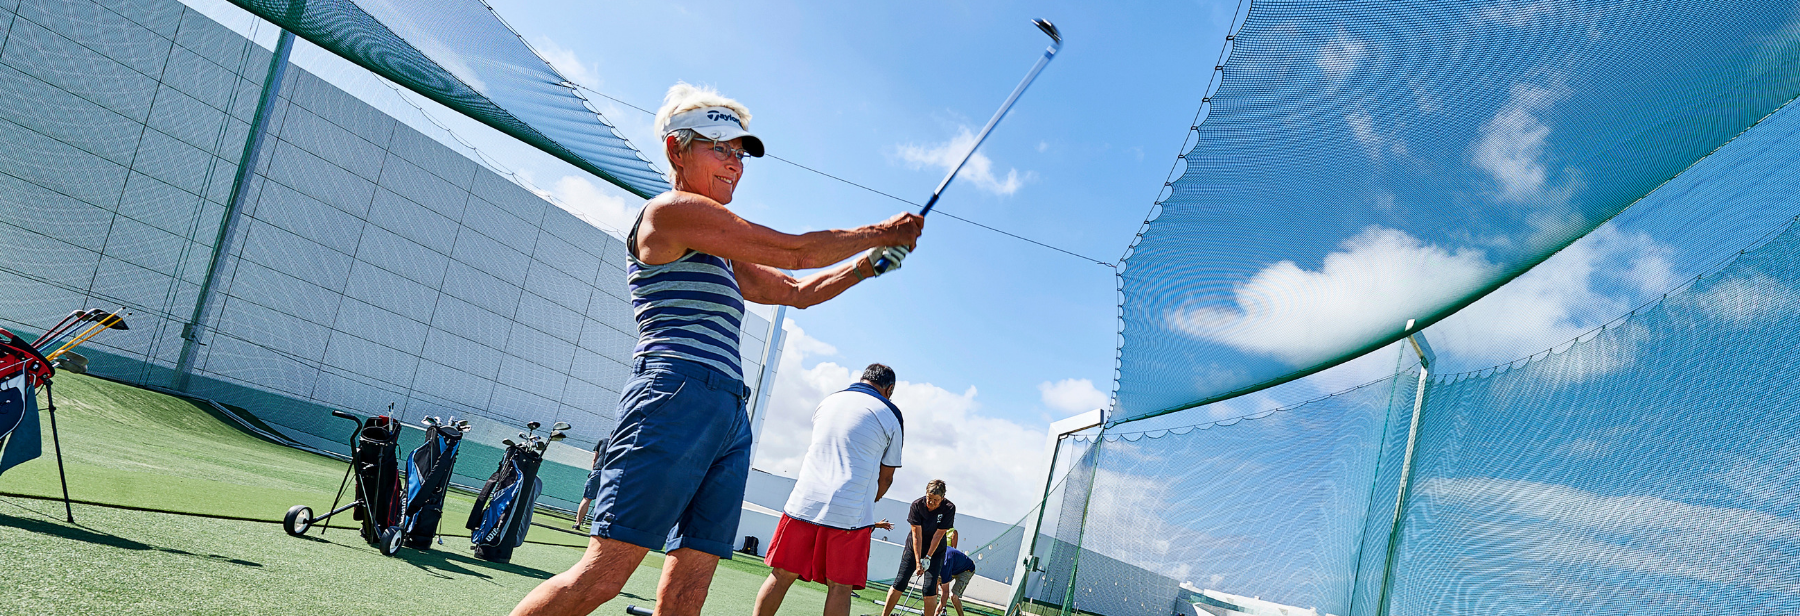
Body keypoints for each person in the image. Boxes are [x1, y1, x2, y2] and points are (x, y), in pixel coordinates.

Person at [509, 83, 925, 616]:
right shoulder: (671, 212)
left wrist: (870, 264)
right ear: (676, 149)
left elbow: (793, 292)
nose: (735, 164)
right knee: (603, 577)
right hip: (674, 393)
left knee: (690, 589)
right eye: (719, 148)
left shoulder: (720, 249)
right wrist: (878, 231)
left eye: (739, 153)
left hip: (728, 410)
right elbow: (793, 252)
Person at [752, 363, 906, 616]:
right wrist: (869, 499)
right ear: (889, 389)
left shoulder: (829, 400)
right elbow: (886, 478)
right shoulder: (890, 412)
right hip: (850, 513)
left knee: (780, 575)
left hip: (803, 502)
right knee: (840, 587)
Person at [880, 480, 956, 616]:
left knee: (929, 587)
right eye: (929, 498)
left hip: (936, 550)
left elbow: (938, 536)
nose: (931, 502)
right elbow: (917, 536)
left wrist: (928, 557)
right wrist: (917, 561)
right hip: (914, 546)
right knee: (900, 581)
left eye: (936, 500)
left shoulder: (949, 508)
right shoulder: (917, 505)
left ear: (942, 498)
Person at [935, 530, 976, 616]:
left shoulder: (946, 562)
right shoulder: (937, 554)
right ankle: (935, 609)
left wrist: (936, 613)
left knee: (954, 596)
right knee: (934, 584)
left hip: (966, 570)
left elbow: (945, 592)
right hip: (954, 567)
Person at [573, 436, 608, 530]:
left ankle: (577, 523)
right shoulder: (621, 443)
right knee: (606, 501)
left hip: (598, 471)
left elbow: (594, 459)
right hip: (611, 474)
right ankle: (600, 526)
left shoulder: (602, 441)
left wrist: (593, 471)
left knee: (587, 498)